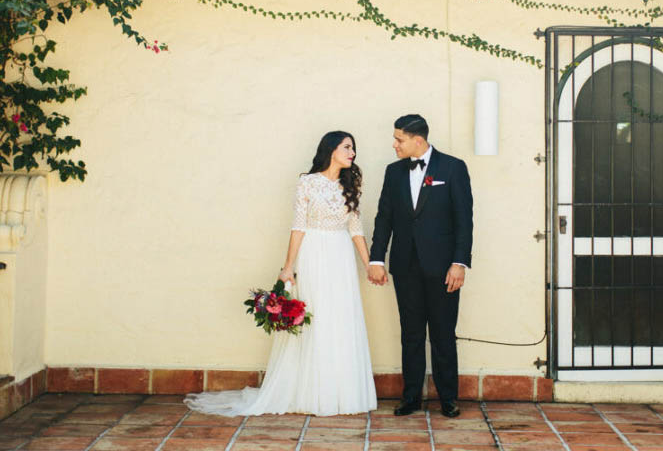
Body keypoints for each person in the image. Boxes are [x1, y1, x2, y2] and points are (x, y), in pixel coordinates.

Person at [185, 131, 377, 416]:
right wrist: (288, 266)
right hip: (314, 253)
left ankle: (342, 393)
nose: (353, 153)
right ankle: (312, 393)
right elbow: (298, 225)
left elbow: (356, 230)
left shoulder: (349, 187)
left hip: (341, 258)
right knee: (318, 319)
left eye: (353, 148)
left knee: (342, 317)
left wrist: (369, 264)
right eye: (347, 147)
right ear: (331, 150)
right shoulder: (307, 183)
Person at [368, 114, 473, 418]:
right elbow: (384, 217)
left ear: (418, 140)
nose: (394, 144)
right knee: (410, 334)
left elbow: (463, 220)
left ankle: (448, 398)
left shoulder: (452, 168)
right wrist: (377, 258)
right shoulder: (393, 172)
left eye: (399, 139)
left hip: (443, 268)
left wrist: (459, 262)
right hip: (405, 266)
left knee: (443, 334)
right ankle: (411, 396)